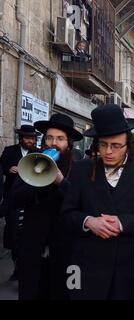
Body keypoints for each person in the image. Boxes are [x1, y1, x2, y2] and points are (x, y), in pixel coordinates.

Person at [61, 104, 134, 300]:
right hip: (84, 266)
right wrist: (88, 222)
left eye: (116, 145)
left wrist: (122, 223)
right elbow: (67, 214)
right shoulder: (81, 170)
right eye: (103, 144)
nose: (108, 151)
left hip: (128, 268)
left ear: (128, 143)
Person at [11, 114, 83, 299]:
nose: (54, 143)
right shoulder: (32, 163)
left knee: (65, 293)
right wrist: (32, 178)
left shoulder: (79, 169)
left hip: (67, 250)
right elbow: (12, 201)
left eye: (60, 139)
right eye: (49, 138)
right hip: (33, 247)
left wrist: (61, 182)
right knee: (31, 292)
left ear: (69, 143)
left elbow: (83, 203)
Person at [0, 124, 40, 281]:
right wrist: (8, 169)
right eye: (27, 138)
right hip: (13, 199)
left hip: (31, 199)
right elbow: (2, 167)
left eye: (32, 138)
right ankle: (17, 264)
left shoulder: (38, 153)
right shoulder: (10, 151)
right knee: (13, 233)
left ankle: (25, 267)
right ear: (21, 138)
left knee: (28, 234)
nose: (29, 141)